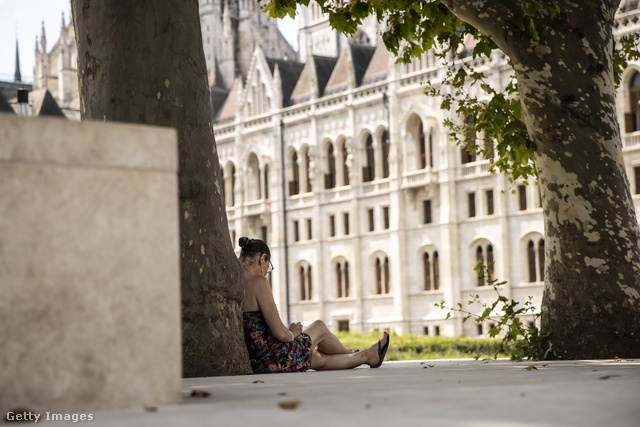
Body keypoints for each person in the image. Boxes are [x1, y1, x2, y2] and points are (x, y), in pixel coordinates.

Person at [239, 237, 390, 373]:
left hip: (256, 362)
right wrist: (292, 333)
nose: (266, 272)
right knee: (319, 326)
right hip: (274, 358)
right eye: (267, 267)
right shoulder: (258, 282)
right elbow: (281, 334)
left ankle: (366, 355)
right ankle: (353, 352)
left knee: (317, 358)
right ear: (262, 259)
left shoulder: (234, 281)